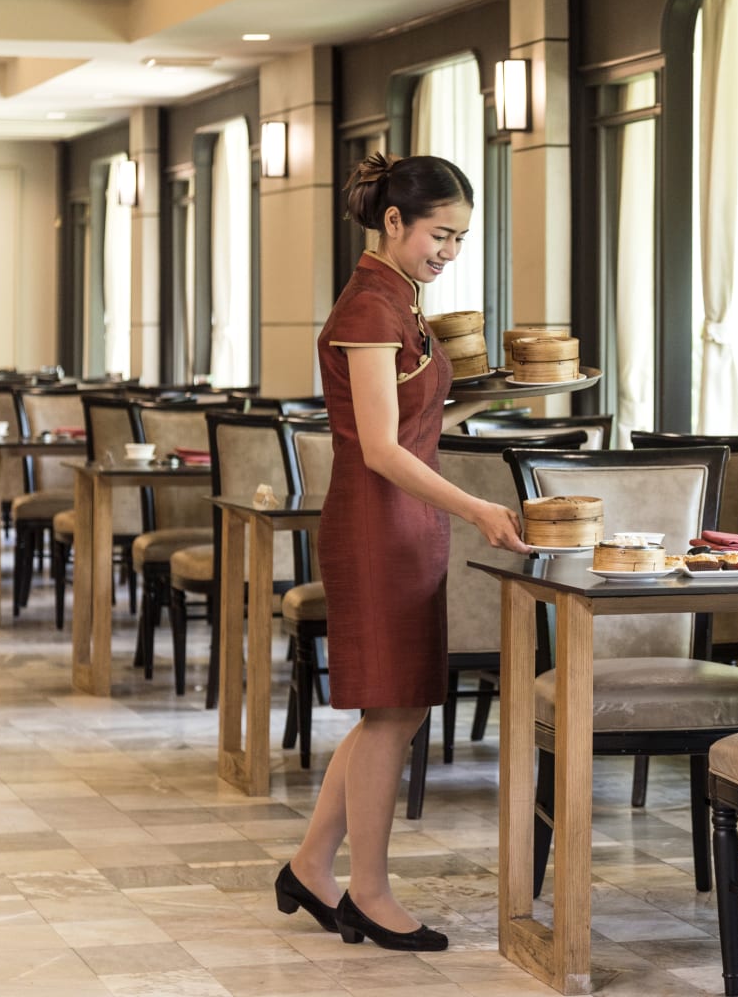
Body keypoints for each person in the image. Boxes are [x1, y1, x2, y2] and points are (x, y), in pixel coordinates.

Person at [273, 153, 526, 951]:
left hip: (408, 522)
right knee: (389, 711)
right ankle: (369, 892)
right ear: (394, 222)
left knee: (400, 705)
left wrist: (493, 395)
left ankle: (311, 866)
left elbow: (410, 420)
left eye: (460, 239)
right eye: (439, 235)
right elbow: (379, 448)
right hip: (378, 523)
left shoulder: (400, 299)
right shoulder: (369, 307)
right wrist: (478, 508)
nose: (449, 251)